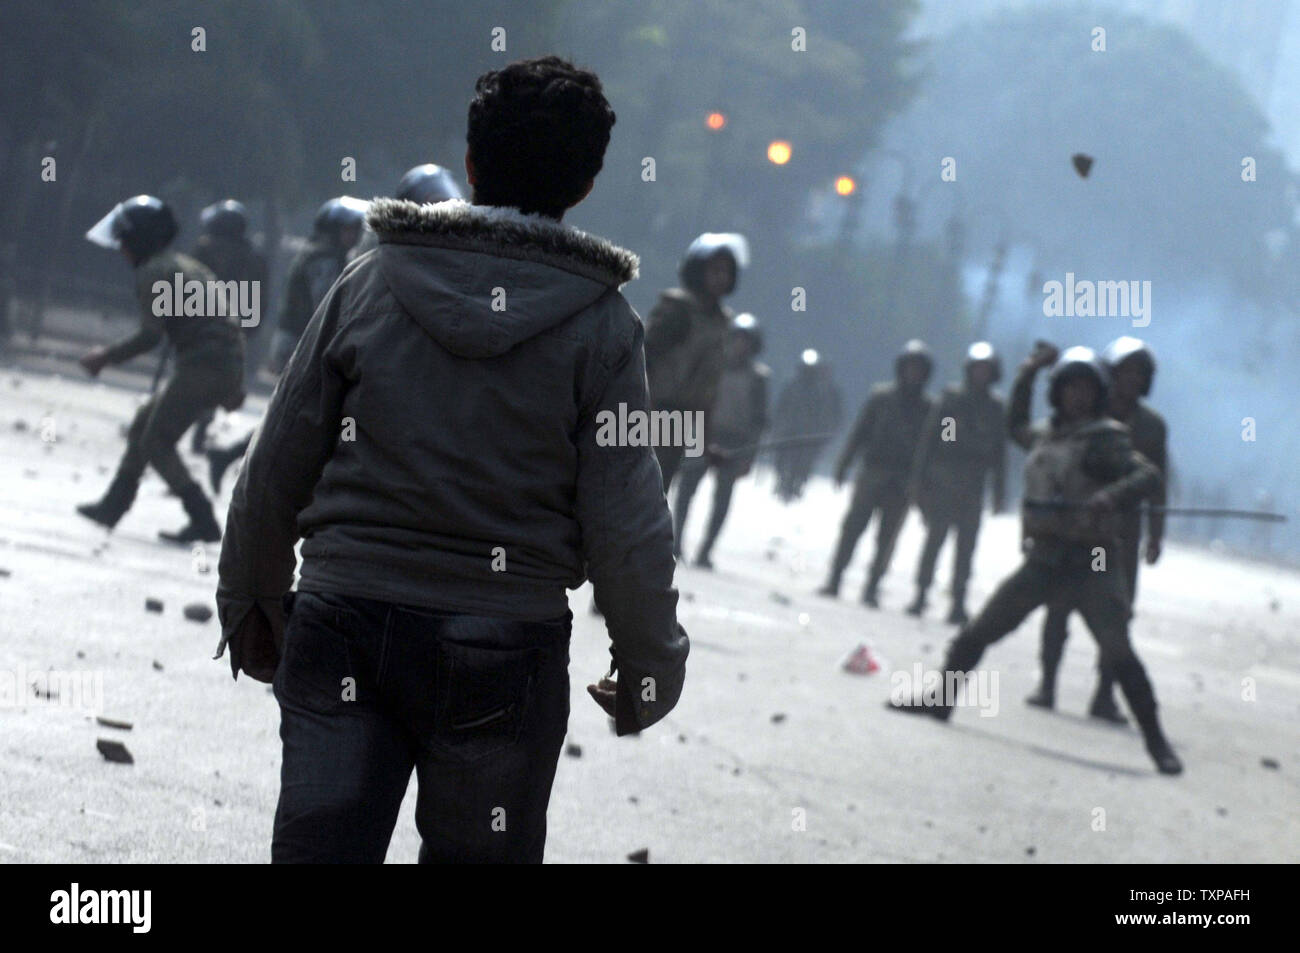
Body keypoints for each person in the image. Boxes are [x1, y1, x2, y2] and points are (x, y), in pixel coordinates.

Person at [215, 56, 689, 864]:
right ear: (586, 184)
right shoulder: (603, 328)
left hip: (343, 618)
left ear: (471, 164)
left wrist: (251, 597)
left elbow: (277, 460)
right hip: (502, 645)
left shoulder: (370, 281)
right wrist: (651, 661)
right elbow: (627, 519)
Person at [888, 343, 1182, 776]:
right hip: (1045, 557)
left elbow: (1147, 475)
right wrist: (1028, 373)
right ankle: (942, 698)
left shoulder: (1105, 439)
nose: (1076, 397)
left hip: (1090, 562)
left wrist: (1109, 496)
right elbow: (1015, 426)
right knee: (977, 632)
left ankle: (1157, 742)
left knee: (1119, 653)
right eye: (1069, 388)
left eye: (1085, 389)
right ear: (1058, 393)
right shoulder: (1047, 435)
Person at [76, 195, 244, 543]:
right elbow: (230, 323)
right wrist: (234, 382)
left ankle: (202, 518)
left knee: (157, 441)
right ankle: (113, 505)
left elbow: (150, 336)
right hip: (218, 366)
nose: (120, 249)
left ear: (138, 241)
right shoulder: (186, 265)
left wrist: (104, 357)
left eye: (123, 241)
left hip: (202, 367)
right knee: (143, 423)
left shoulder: (153, 271)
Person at [1026, 336, 1166, 722]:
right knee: (1060, 602)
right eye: (1125, 372)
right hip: (1076, 528)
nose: (1131, 381)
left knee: (1115, 613)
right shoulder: (1084, 417)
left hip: (1119, 534)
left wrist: (1156, 533)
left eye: (1139, 374)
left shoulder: (1152, 427)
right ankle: (1047, 682)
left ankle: (1105, 693)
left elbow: (1157, 479)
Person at [819, 340, 934, 606]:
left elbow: (942, 442)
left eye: (918, 369)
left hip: (904, 479)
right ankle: (835, 577)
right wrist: (843, 464)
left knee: (888, 536)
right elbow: (860, 432)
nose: (912, 373)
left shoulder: (933, 408)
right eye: (909, 367)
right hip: (873, 472)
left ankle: (872, 586)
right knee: (853, 527)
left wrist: (928, 481)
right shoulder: (880, 397)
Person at [906, 341, 1007, 624]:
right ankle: (921, 593)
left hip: (973, 488)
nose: (981, 375)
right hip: (943, 482)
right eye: (978, 369)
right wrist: (919, 481)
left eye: (986, 370)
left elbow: (999, 454)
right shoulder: (952, 400)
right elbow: (931, 441)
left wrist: (999, 492)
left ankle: (958, 602)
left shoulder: (995, 408)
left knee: (966, 549)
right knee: (934, 541)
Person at [643, 231, 749, 490]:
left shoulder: (722, 322)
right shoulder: (677, 310)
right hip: (651, 416)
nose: (720, 277)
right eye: (714, 270)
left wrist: (704, 443)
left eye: (725, 271)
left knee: (657, 493)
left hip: (681, 425)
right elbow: (642, 360)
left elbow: (706, 390)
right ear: (698, 270)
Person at [672, 313, 768, 568]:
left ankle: (705, 550)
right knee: (685, 491)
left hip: (735, 443)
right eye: (737, 339)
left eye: (746, 341)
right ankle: (676, 543)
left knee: (722, 498)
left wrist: (750, 455)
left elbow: (758, 421)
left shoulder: (758, 378)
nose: (740, 346)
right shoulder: (712, 367)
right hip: (703, 433)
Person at [187, 199, 268, 454]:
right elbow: (260, 297)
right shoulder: (253, 257)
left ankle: (179, 422)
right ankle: (202, 421)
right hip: (232, 329)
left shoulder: (204, 249)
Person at [267, 195, 366, 372]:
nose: (352, 235)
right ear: (334, 229)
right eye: (347, 229)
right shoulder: (323, 259)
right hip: (303, 345)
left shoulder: (326, 255)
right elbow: (324, 306)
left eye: (354, 229)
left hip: (303, 343)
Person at [347, 163, 464, 263]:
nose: (444, 213)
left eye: (450, 204)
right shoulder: (383, 256)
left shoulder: (471, 248)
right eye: (434, 204)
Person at [771, 349, 843, 502]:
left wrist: (823, 432)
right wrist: (777, 425)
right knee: (781, 457)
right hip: (789, 431)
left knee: (805, 461)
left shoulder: (821, 390)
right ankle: (780, 479)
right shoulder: (791, 385)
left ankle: (799, 482)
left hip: (808, 434)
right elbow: (781, 407)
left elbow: (826, 414)